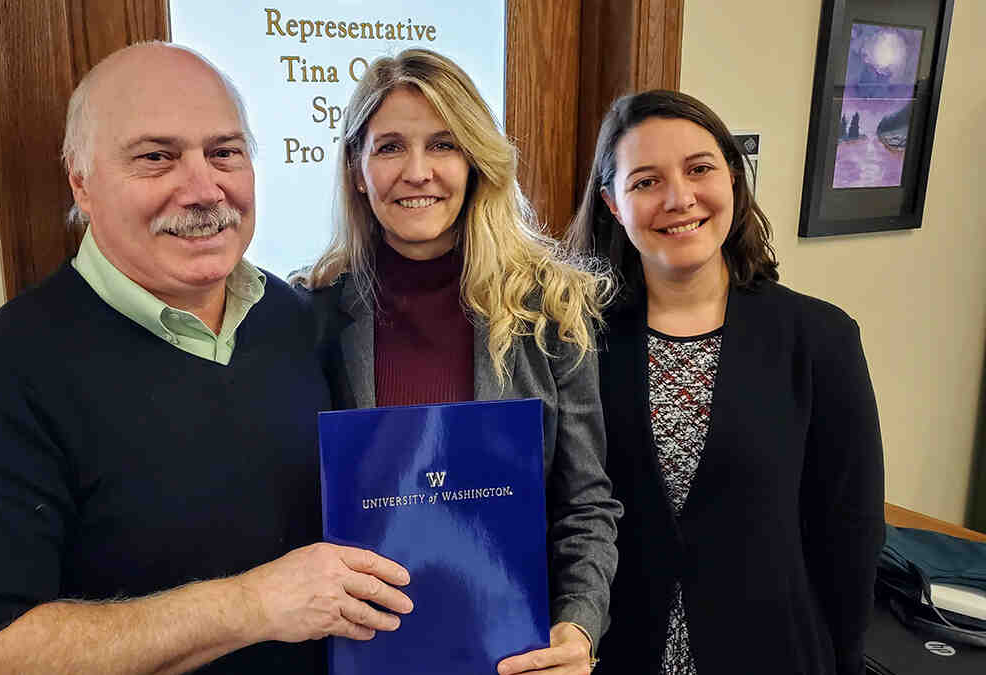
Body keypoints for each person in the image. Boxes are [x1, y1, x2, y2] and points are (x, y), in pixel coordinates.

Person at [0, 42, 414, 674]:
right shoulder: (1, 377)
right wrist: (249, 605)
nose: (202, 188)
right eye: (156, 158)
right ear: (81, 182)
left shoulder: (306, 322)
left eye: (224, 153)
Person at [294, 48, 621, 675]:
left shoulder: (552, 305)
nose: (417, 172)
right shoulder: (309, 313)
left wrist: (578, 627)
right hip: (362, 651)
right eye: (389, 147)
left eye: (443, 144)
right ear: (357, 169)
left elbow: (587, 504)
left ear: (475, 162)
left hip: (512, 653)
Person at [565, 89, 885, 675]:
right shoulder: (574, 343)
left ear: (734, 180)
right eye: (645, 181)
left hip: (776, 652)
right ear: (612, 204)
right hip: (612, 654)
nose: (678, 198)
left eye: (700, 169)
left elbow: (850, 531)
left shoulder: (820, 338)